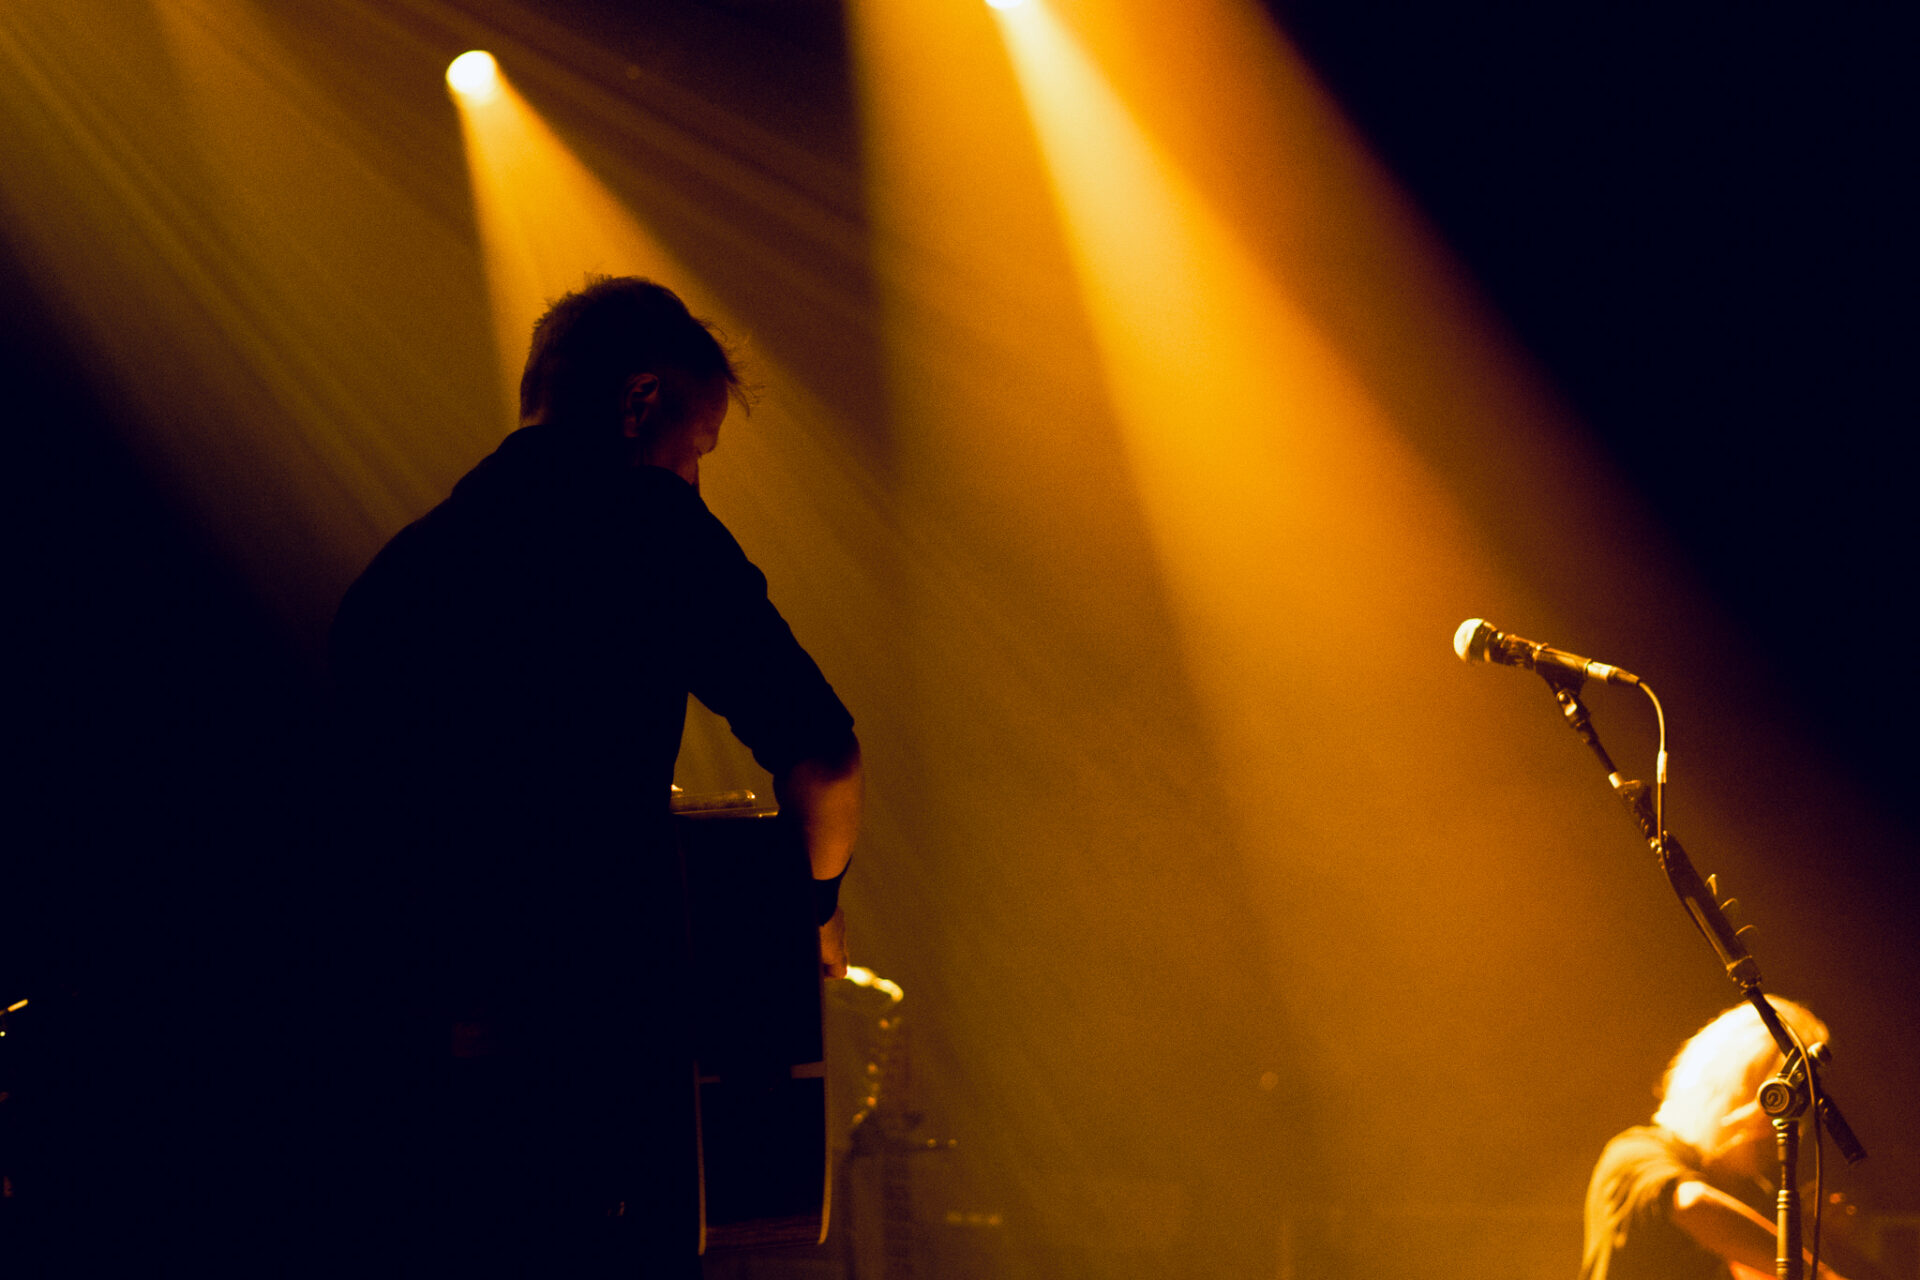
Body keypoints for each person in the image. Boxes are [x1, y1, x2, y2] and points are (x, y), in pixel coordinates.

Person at [327, 276, 862, 1275]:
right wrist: (815, 908)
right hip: (595, 1050)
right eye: (698, 450)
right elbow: (825, 757)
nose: (695, 482)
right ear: (640, 401)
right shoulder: (650, 524)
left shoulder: (408, 568)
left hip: (406, 1068)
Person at [1581, 997, 1854, 1280]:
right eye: (1781, 1106)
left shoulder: (1753, 1195)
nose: (1794, 1131)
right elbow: (1695, 1206)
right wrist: (1818, 1274)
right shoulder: (1636, 1153)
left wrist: (1812, 1240)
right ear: (1744, 1091)